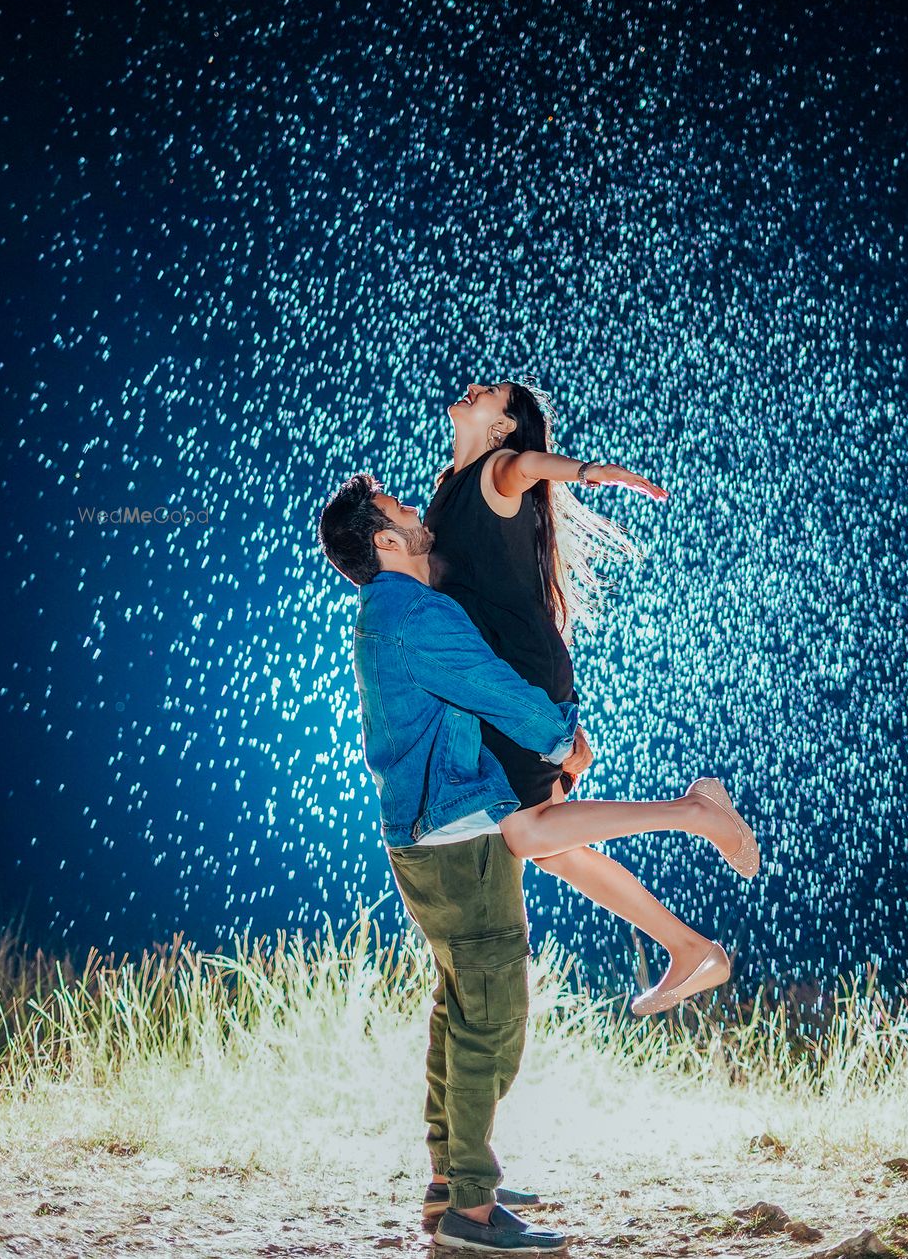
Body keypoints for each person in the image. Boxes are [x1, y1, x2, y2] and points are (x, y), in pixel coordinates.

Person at [423, 376, 760, 1015]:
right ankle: (691, 949)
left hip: (517, 674)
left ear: (503, 427)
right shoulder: (450, 487)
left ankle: (695, 814)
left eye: (491, 390)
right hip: (505, 678)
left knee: (525, 834)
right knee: (550, 847)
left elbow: (534, 464)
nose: (474, 386)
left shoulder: (500, 467)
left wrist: (594, 471)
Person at [319, 472, 577, 1254]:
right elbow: (498, 689)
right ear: (385, 542)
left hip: (426, 838)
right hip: (457, 837)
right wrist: (563, 737)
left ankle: (450, 1176)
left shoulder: (382, 611)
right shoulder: (419, 615)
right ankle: (471, 1208)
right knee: (492, 1015)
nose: (415, 510)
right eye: (400, 510)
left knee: (458, 1004)